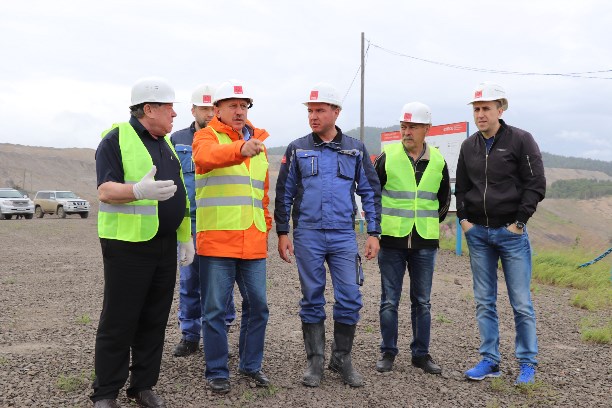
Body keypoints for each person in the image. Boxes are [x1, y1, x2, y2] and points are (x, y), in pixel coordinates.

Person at [91, 77, 194, 408]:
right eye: (169, 108)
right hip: (127, 246)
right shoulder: (115, 139)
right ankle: (106, 393)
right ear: (149, 109)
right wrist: (137, 191)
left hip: (163, 245)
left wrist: (184, 238)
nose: (174, 114)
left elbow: (180, 195)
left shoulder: (165, 145)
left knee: (154, 319)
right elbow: (105, 190)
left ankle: (143, 386)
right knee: (119, 320)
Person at [275, 82, 382, 388]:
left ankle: (342, 358)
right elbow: (284, 193)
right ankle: (315, 361)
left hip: (343, 235)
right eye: (310, 111)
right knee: (312, 298)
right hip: (307, 234)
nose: (313, 116)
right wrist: (283, 232)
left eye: (320, 110)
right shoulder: (298, 148)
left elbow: (370, 191)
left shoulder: (355, 149)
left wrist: (374, 232)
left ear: (336, 112)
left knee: (350, 297)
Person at [455, 81, 546, 385]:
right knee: (484, 301)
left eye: (486, 108)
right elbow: (462, 187)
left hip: (511, 234)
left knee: (521, 302)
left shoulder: (521, 140)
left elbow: (535, 184)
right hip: (478, 234)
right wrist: (464, 220)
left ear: (500, 109)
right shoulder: (468, 146)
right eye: (476, 109)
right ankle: (490, 360)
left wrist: (519, 222)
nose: (480, 114)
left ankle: (527, 364)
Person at [192, 79, 271, 394]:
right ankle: (217, 371)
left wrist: (266, 226)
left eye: (243, 106)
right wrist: (240, 148)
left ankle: (251, 366)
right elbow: (206, 158)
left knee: (259, 307)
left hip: (253, 240)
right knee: (214, 310)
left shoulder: (259, 142)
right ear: (217, 109)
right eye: (232, 105)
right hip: (217, 241)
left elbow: (262, 195)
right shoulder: (205, 137)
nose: (239, 111)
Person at [373, 102, 451, 375]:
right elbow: (372, 196)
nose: (407, 132)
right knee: (389, 301)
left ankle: (420, 354)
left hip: (425, 242)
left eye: (413, 127)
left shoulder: (438, 161)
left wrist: (425, 222)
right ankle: (388, 352)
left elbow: (444, 200)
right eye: (403, 126)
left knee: (423, 302)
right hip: (392, 239)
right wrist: (377, 229)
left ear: (426, 129)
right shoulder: (387, 157)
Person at [170, 84, 236, 357]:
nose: (209, 114)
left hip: (219, 221)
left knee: (221, 281)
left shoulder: (227, 138)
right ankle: (190, 335)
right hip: (191, 222)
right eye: (204, 108)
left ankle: (220, 333)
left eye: (212, 108)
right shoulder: (177, 140)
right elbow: (172, 179)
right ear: (193, 110)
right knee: (189, 280)